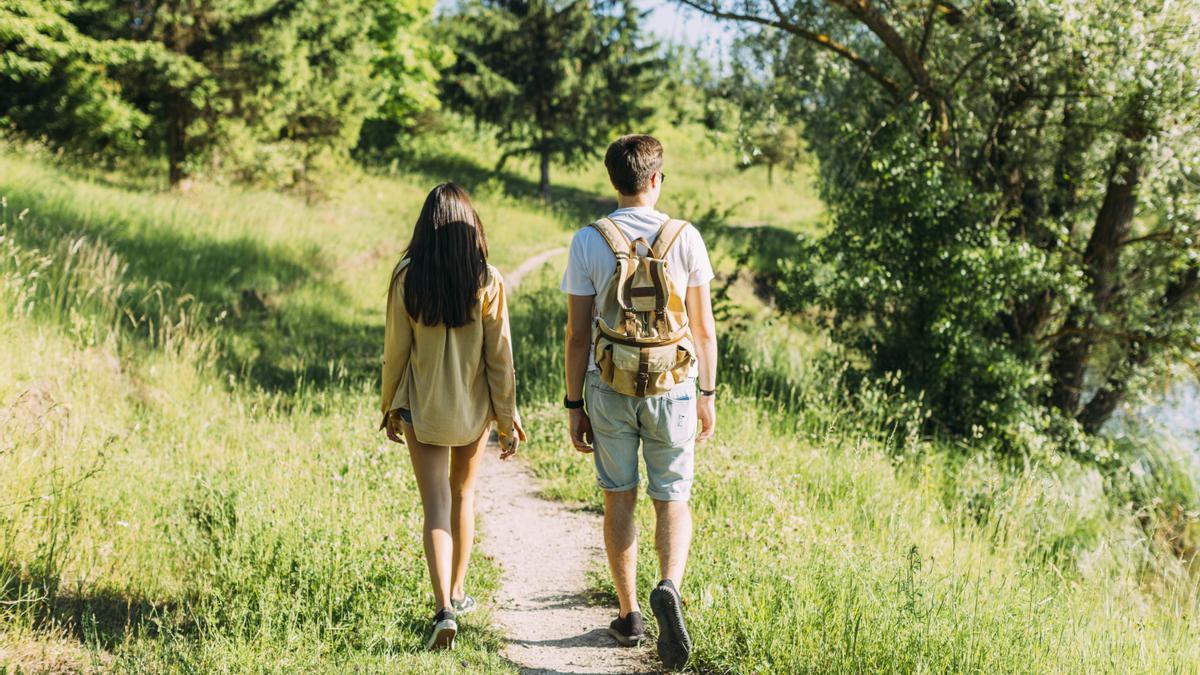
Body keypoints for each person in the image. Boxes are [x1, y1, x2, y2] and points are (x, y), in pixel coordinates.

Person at [560, 135, 718, 669]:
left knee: (618, 496)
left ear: (614, 182)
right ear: (656, 180)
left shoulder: (589, 240)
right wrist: (707, 393)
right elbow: (703, 329)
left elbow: (576, 336)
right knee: (672, 494)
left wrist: (573, 402)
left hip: (609, 384)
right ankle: (668, 585)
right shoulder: (686, 237)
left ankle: (629, 615)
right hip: (673, 385)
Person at [380, 182, 526, 651]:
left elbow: (394, 352)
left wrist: (389, 407)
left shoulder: (407, 277)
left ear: (425, 226)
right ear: (471, 229)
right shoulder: (487, 279)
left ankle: (442, 606)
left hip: (424, 408)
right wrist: (507, 417)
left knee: (435, 507)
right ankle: (459, 593)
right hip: (473, 410)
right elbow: (499, 357)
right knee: (463, 495)